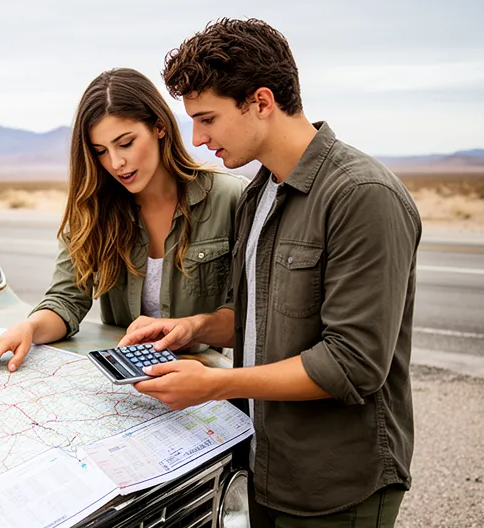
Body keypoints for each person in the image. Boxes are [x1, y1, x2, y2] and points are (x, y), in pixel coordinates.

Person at [119, 19, 421, 527]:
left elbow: (352, 364)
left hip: (336, 485)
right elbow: (256, 314)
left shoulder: (362, 195)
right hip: (262, 469)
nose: (197, 138)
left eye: (208, 118)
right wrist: (191, 329)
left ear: (261, 101)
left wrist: (214, 384)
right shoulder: (257, 195)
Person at [0, 68, 246, 376]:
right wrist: (28, 328)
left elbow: (248, 317)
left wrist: (191, 328)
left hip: (205, 384)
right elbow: (66, 300)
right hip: (126, 388)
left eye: (125, 143)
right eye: (100, 151)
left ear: (160, 127)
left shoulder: (230, 198)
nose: (116, 162)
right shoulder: (91, 210)